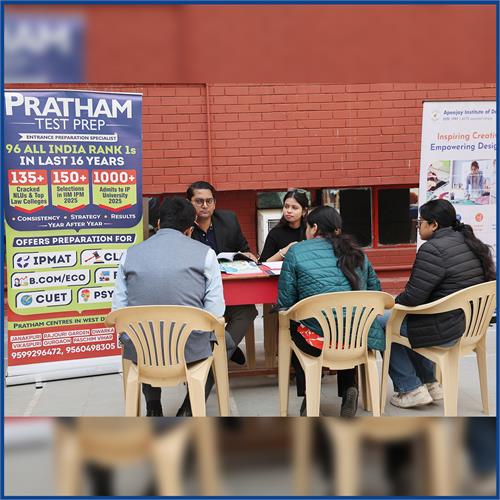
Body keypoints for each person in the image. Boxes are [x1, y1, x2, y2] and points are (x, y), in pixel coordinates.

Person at [112, 196, 235, 416]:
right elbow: (215, 313)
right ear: (190, 229)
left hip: (142, 353)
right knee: (225, 342)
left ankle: (153, 408)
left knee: (145, 332)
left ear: (158, 223)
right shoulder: (206, 255)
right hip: (189, 352)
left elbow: (118, 310)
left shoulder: (129, 255)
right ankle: (189, 407)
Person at [277, 205, 385, 417]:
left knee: (297, 324)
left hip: (316, 342)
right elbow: (376, 291)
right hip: (358, 339)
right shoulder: (357, 253)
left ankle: (309, 394)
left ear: (314, 227)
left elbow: (286, 301)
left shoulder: (296, 252)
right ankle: (349, 388)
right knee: (346, 325)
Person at [387, 199, 495, 408]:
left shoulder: (432, 249)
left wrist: (393, 304)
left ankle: (410, 389)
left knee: (383, 322)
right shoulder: (471, 242)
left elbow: (413, 298)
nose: (418, 226)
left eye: (420, 222)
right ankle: (430, 384)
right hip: (469, 327)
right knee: (403, 322)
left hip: (447, 329)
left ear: (434, 224)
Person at [186, 181, 258, 368]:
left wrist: (247, 255)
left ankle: (223, 350)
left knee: (248, 311)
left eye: (209, 201)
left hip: (227, 291)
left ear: (214, 203)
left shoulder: (228, 220)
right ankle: (225, 350)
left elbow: (244, 249)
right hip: (196, 297)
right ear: (189, 203)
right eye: (199, 201)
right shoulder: (183, 226)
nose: (205, 205)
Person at [259, 189, 309, 262]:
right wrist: (285, 250)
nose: (289, 211)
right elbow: (263, 263)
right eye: (286, 206)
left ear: (304, 211)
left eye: (294, 208)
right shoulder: (275, 233)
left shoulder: (309, 231)